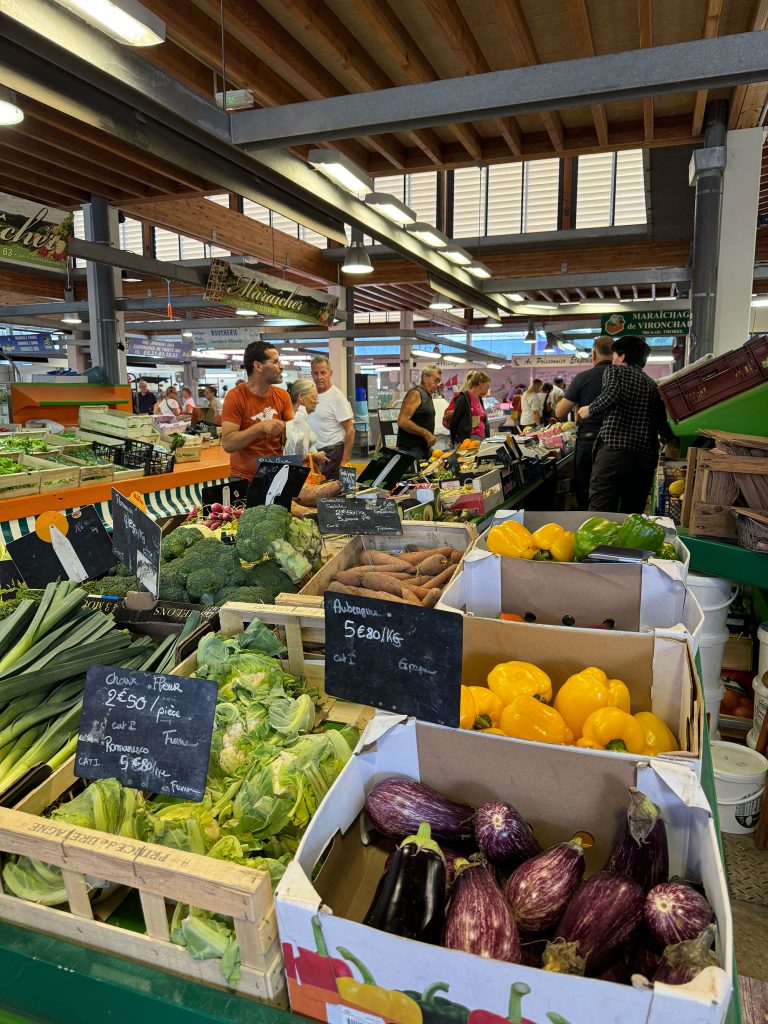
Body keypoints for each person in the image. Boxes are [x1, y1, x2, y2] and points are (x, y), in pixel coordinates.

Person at [577, 335, 673, 514]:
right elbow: (661, 422)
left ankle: (599, 542)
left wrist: (589, 409)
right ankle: (625, 543)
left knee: (601, 506)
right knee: (632, 512)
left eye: (614, 356)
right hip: (644, 457)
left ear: (621, 356)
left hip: (614, 451)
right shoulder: (652, 384)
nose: (613, 360)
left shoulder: (615, 371)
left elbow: (612, 394)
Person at [220, 341, 293, 481]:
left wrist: (294, 429)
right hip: (244, 478)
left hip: (275, 475)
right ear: (258, 366)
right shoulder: (235, 397)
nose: (282, 366)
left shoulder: (283, 396)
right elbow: (228, 444)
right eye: (276, 362)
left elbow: (290, 439)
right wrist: (259, 428)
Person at [556, 335, 613, 509]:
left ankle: (586, 524)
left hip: (589, 441)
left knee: (585, 489)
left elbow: (560, 412)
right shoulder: (623, 377)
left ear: (594, 354)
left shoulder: (583, 378)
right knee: (609, 490)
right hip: (614, 442)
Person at [307, 355, 355, 480]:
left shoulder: (337, 397)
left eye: (323, 372)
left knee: (330, 495)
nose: (319, 377)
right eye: (315, 373)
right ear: (311, 374)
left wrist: (344, 461)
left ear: (330, 373)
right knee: (315, 494)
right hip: (314, 454)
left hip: (332, 454)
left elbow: (350, 430)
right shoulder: (310, 395)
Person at [396, 364, 442, 460]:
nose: (438, 384)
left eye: (439, 381)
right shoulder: (416, 393)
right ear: (425, 378)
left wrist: (428, 448)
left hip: (421, 450)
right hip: (410, 450)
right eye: (436, 380)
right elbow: (402, 421)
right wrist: (426, 433)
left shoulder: (427, 395)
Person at [285, 380, 330, 467]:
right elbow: (290, 456)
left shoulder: (301, 419)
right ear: (301, 397)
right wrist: (313, 456)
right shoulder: (292, 421)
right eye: (313, 397)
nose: (317, 402)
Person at [445, 371, 491, 446]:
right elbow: (454, 421)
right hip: (467, 442)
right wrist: (453, 441)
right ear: (480, 384)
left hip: (480, 440)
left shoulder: (479, 398)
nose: (489, 387)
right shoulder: (463, 398)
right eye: (487, 384)